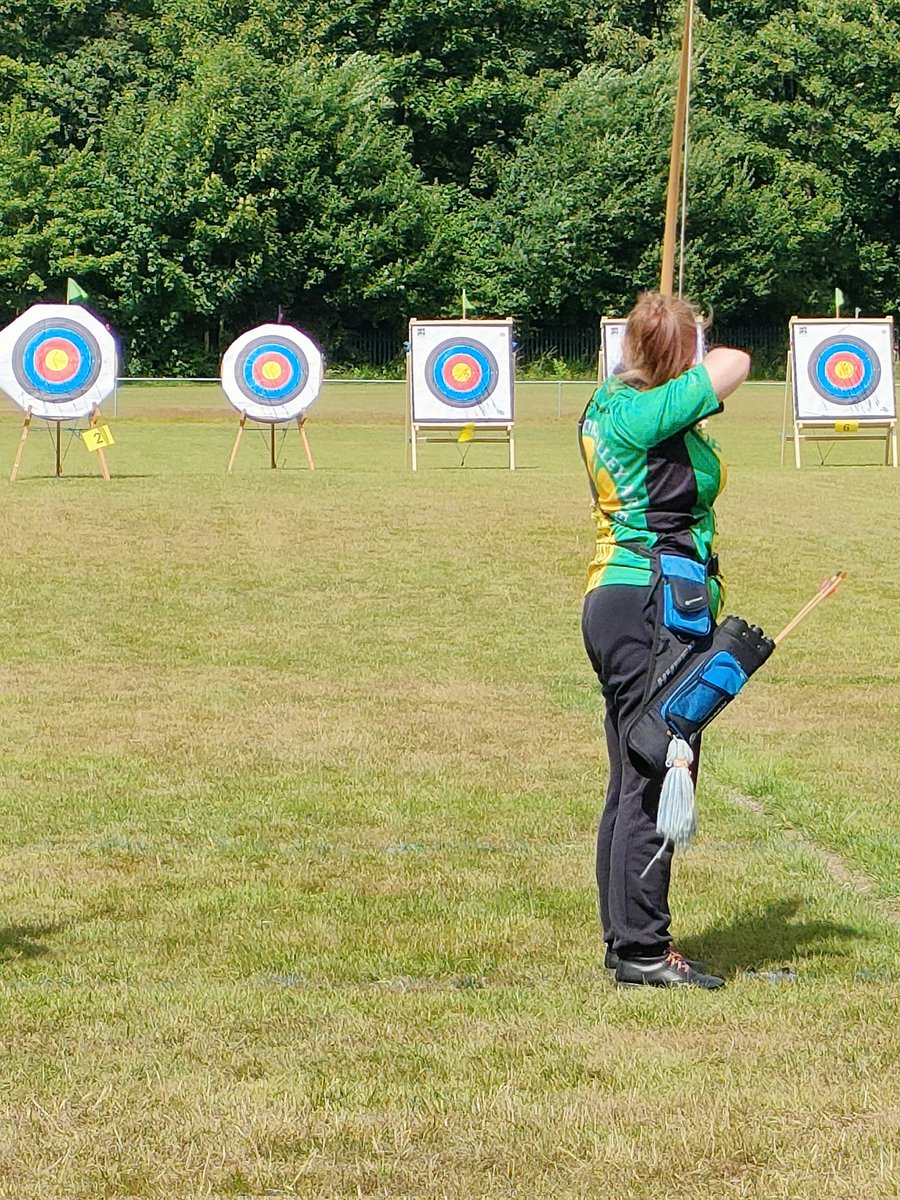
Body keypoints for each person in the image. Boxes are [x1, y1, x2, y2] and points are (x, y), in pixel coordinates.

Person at [579, 291, 750, 989]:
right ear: (680, 358)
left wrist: (665, 352)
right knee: (657, 771)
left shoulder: (607, 404)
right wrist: (686, 361)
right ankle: (645, 951)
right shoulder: (654, 413)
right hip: (654, 606)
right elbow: (736, 362)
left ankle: (630, 942)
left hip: (619, 600)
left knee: (632, 775)